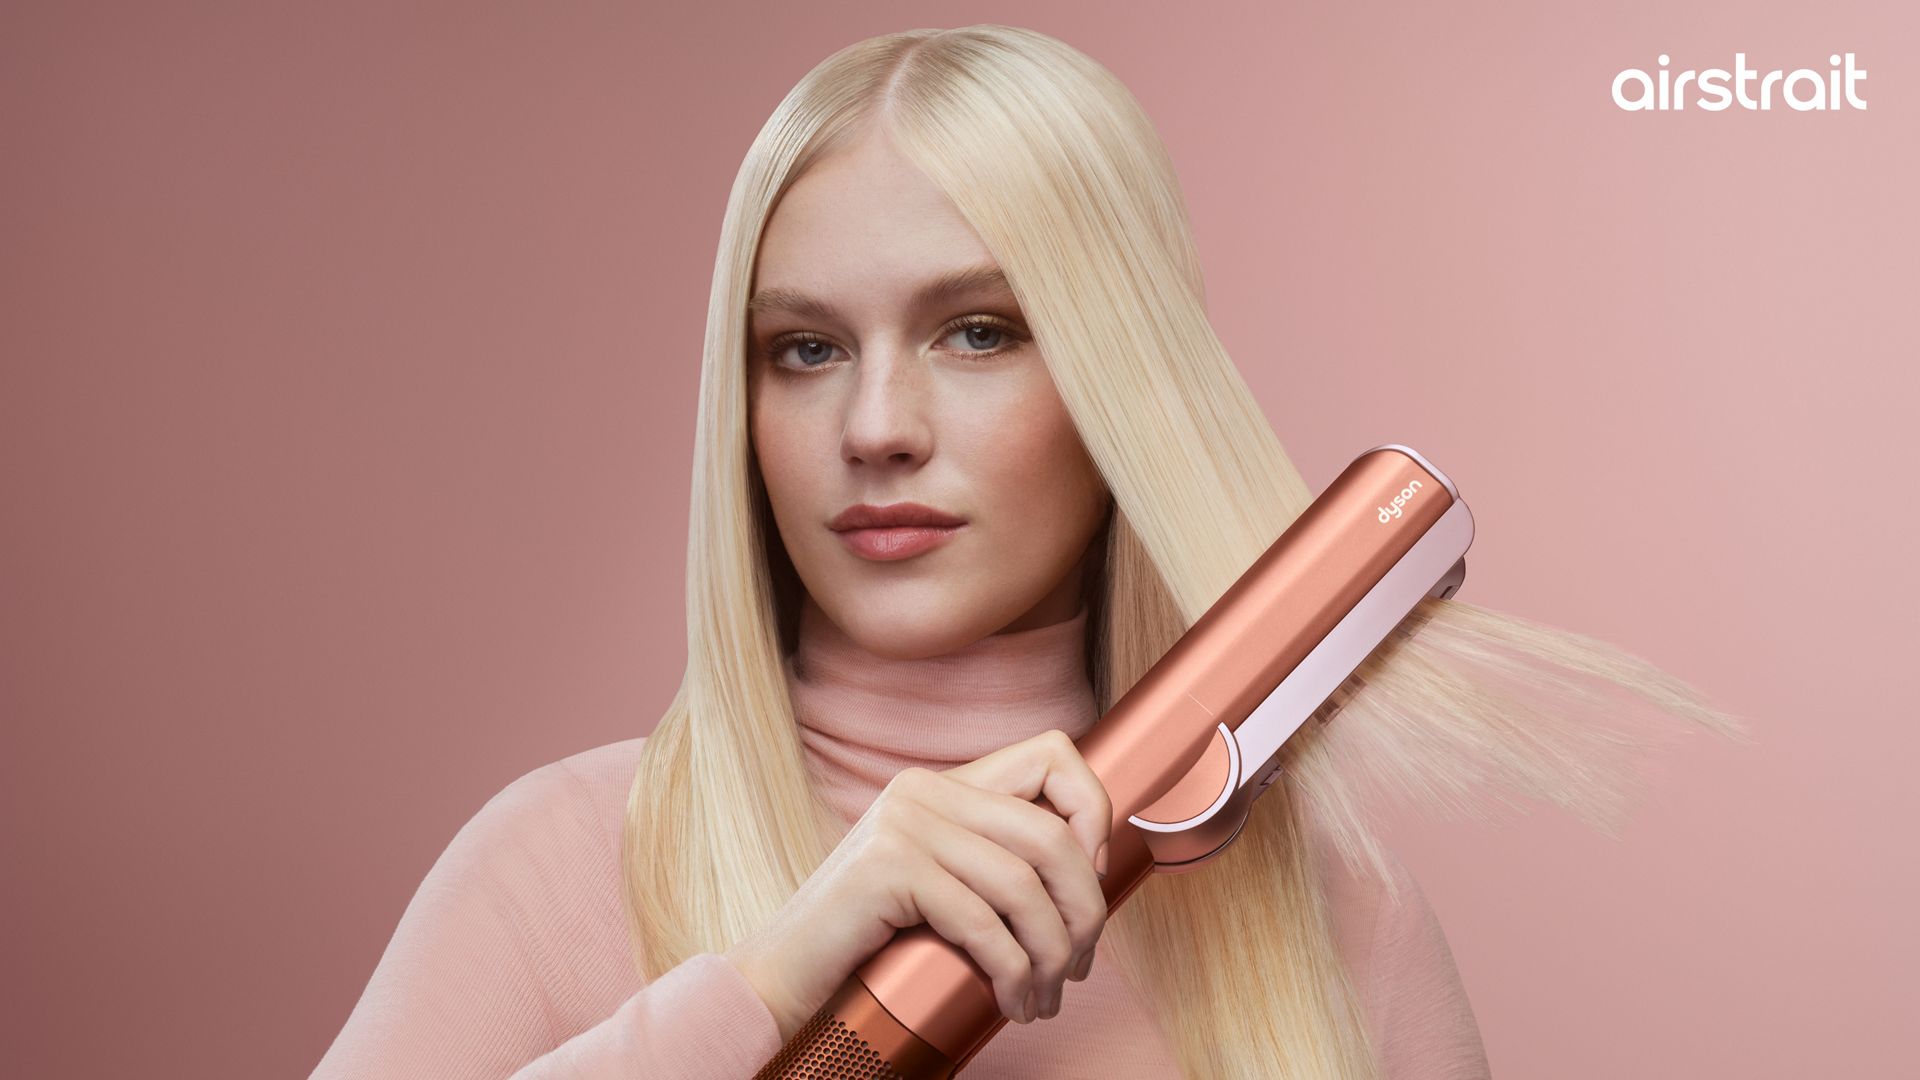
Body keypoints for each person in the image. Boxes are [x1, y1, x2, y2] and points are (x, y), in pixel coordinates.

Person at [318, 23, 1735, 1079]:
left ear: (1123, 381)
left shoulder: (1331, 922)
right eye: (804, 349)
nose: (877, 427)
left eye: (979, 331)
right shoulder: (556, 866)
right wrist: (768, 988)